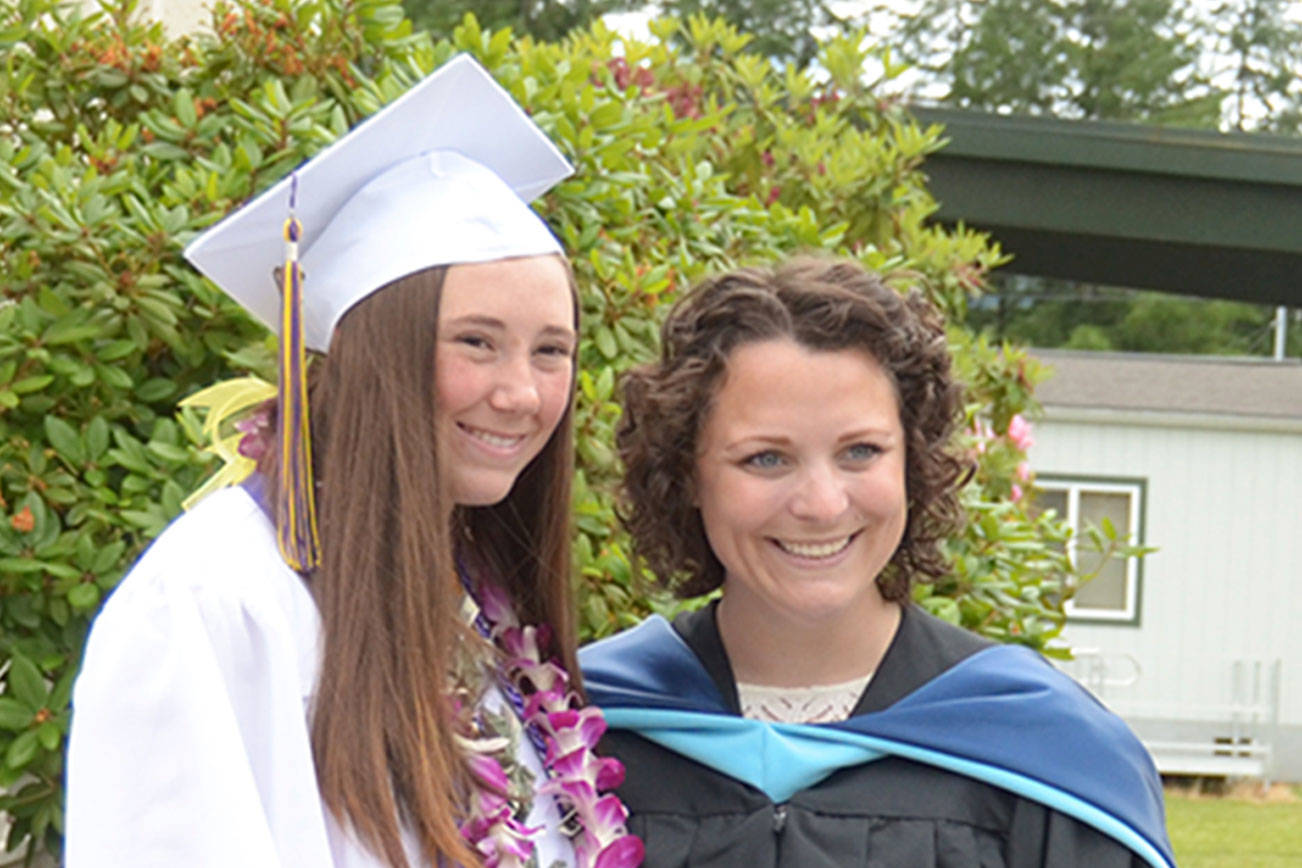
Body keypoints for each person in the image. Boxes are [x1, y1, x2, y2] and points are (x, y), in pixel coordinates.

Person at [66, 55, 640, 868]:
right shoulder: (216, 600)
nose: (521, 393)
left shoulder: (478, 604)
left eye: (551, 350)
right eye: (476, 342)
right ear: (373, 356)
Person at [579, 258, 1174, 868]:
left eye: (861, 451)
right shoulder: (586, 732)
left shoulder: (1048, 755)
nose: (822, 504)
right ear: (686, 475)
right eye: (765, 458)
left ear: (912, 461)